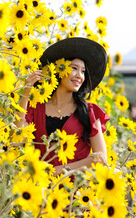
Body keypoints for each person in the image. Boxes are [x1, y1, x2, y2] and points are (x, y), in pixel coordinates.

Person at [14, 37, 110, 176]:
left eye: (83, 71)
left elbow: (101, 159)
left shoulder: (90, 111)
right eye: (74, 68)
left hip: (77, 191)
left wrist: (57, 171)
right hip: (42, 189)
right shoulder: (35, 108)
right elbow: (15, 142)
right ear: (59, 70)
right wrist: (26, 93)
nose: (80, 76)